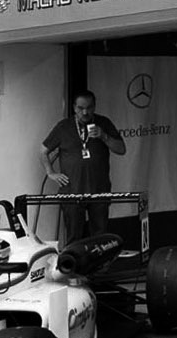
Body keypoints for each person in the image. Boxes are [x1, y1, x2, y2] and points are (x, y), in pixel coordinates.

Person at [40, 91, 126, 240]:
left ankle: (99, 263)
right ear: (74, 108)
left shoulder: (103, 123)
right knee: (74, 237)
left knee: (100, 237)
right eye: (80, 108)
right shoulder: (64, 126)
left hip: (99, 190)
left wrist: (104, 136)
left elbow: (121, 149)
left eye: (89, 107)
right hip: (72, 191)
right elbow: (43, 151)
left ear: (94, 106)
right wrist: (51, 172)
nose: (85, 112)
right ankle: (77, 263)